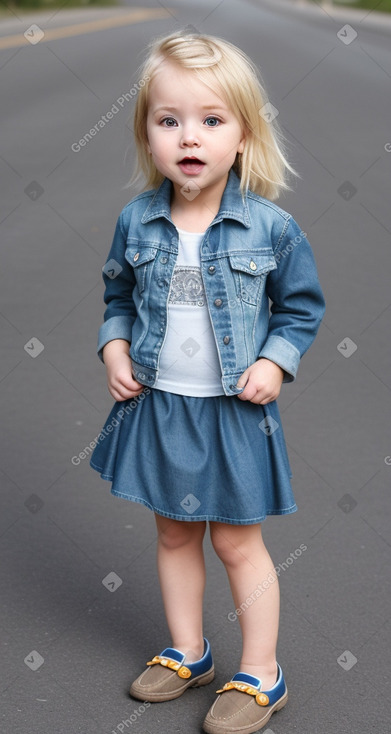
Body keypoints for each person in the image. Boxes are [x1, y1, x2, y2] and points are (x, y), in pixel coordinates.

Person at [89, 29, 326, 734]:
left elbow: (300, 307)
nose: (188, 137)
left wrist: (272, 361)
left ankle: (260, 671)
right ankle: (188, 651)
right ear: (148, 137)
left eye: (210, 120)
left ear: (243, 137)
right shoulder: (137, 221)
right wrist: (114, 348)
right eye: (169, 121)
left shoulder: (270, 229)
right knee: (172, 535)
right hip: (163, 405)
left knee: (234, 541)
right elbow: (117, 299)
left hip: (231, 411)